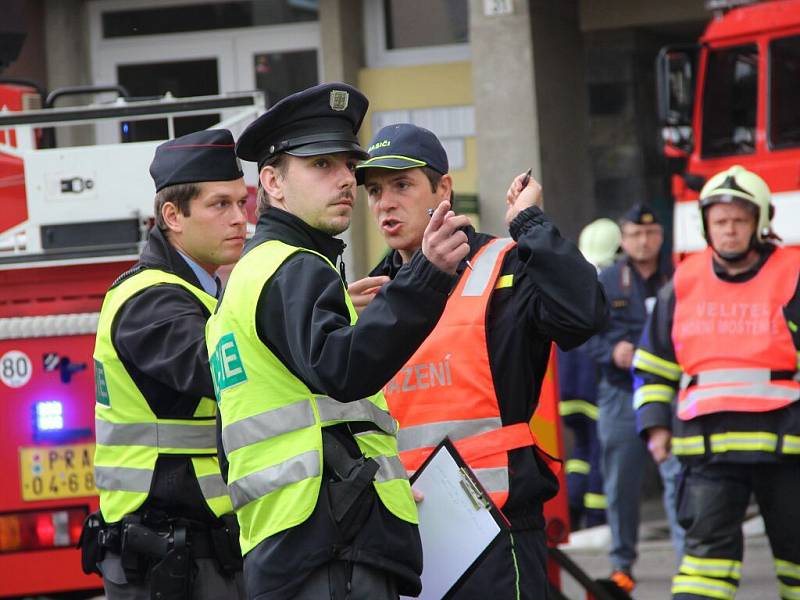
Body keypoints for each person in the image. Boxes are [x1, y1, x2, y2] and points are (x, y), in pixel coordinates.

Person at [206, 83, 470, 600]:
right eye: (321, 165)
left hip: (292, 543)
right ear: (273, 184)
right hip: (331, 547)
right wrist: (427, 277)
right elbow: (345, 371)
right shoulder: (293, 267)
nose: (347, 179)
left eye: (348, 165)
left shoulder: (254, 272)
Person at [356, 123, 607, 599]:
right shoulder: (371, 295)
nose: (385, 203)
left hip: (498, 528)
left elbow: (583, 315)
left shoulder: (504, 266)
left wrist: (530, 223)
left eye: (402, 185)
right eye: (374, 191)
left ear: (443, 189)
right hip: (407, 530)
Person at [86, 130, 248, 599]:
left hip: (198, 548)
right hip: (166, 557)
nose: (241, 219)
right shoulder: (149, 300)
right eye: (221, 205)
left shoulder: (206, 291)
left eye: (242, 202)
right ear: (172, 216)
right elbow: (222, 371)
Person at [633, 165, 800, 600]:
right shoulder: (684, 282)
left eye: (739, 220)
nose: (729, 231)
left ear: (760, 223)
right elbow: (653, 362)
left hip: (786, 447)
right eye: (720, 221)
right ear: (707, 225)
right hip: (707, 447)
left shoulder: (793, 274)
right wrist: (655, 426)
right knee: (704, 567)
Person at [583, 203, 683, 593]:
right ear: (623, 240)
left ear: (661, 236)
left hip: (669, 394)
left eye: (651, 233)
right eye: (636, 234)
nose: (644, 240)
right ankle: (622, 564)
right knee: (620, 483)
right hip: (621, 394)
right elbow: (586, 333)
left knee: (678, 479)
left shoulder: (677, 276)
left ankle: (686, 560)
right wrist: (612, 352)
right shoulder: (607, 280)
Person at [557, 218, 621, 530]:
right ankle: (597, 516)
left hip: (566, 388)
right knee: (599, 450)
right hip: (593, 385)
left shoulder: (572, 277)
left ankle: (573, 501)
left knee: (581, 449)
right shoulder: (608, 281)